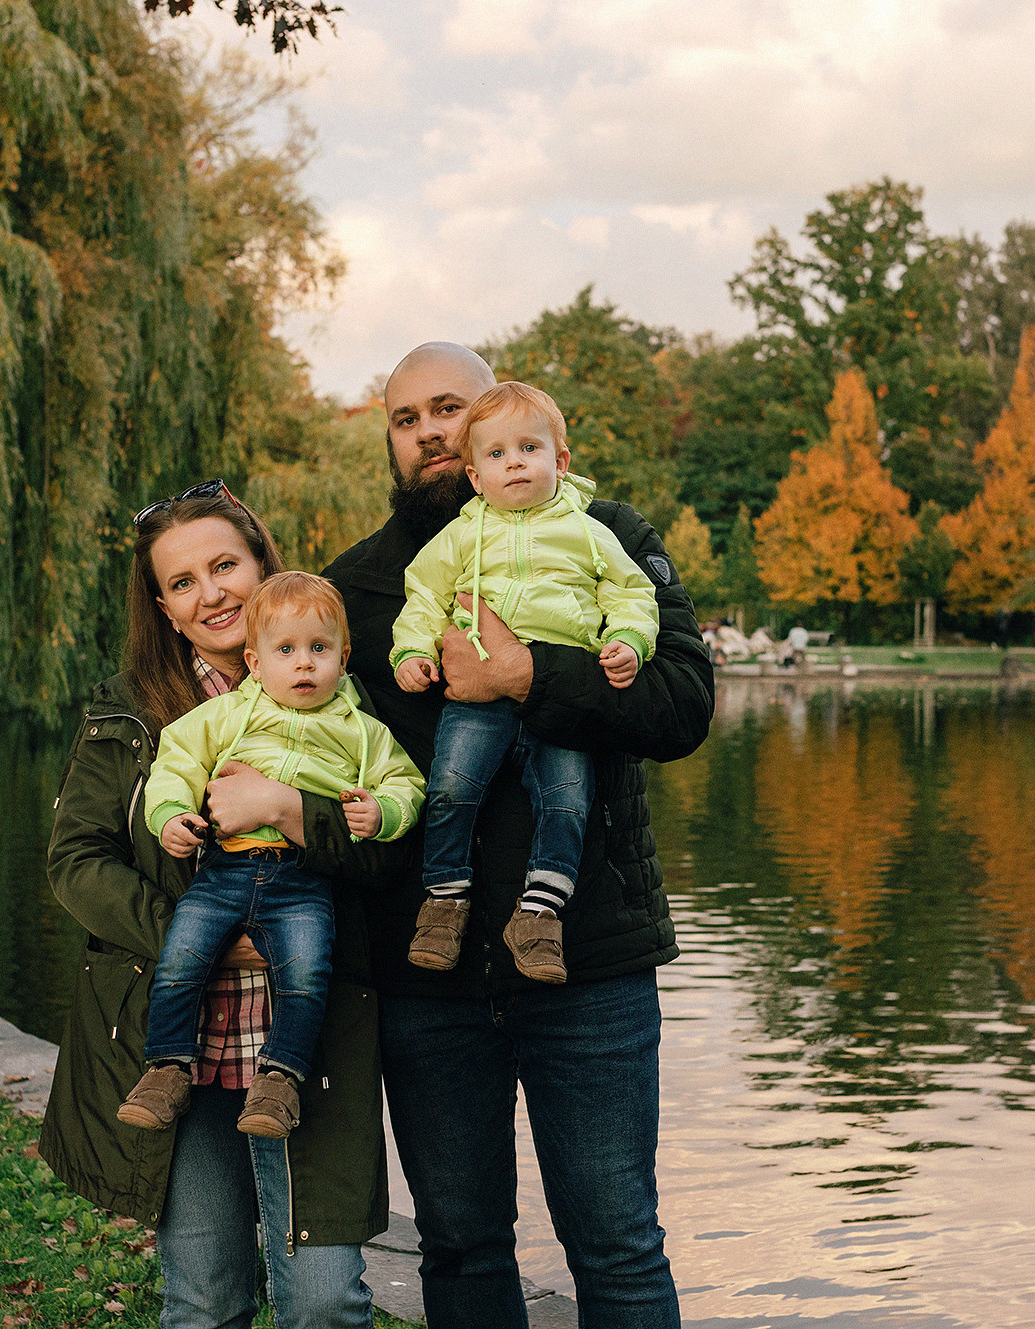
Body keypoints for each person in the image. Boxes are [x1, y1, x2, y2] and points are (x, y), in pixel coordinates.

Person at [323, 342, 715, 1328]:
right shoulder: (358, 589)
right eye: (405, 420)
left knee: (617, 1246)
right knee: (459, 1248)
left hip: (587, 959)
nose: (428, 433)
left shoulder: (604, 533)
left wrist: (532, 676)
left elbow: (682, 702)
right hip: (427, 981)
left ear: (496, 413)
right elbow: (317, 751)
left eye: (447, 408)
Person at [38, 487, 396, 1329]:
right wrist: (198, 941)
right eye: (184, 582)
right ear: (164, 608)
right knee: (204, 1298)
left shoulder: (341, 698)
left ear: (263, 562)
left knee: (325, 1301)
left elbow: (390, 850)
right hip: (182, 1039)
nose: (212, 593)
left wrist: (288, 807)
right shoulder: (130, 711)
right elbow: (77, 862)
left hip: (309, 1039)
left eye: (225, 564)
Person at [119, 572, 423, 1139]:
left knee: (306, 971)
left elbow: (405, 783)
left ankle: (281, 1078)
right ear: (255, 664)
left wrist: (383, 811)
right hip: (226, 868)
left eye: (319, 649)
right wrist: (171, 815)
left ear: (343, 658)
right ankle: (166, 1067)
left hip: (302, 877)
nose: (304, 664)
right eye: (286, 651)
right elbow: (177, 760)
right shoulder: (230, 715)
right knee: (183, 955)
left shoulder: (361, 730)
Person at [390, 381, 658, 984]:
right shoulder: (462, 535)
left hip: (559, 701)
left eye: (529, 449)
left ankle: (540, 913)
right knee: (450, 785)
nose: (514, 463)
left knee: (567, 798)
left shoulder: (590, 532)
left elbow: (631, 592)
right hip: (476, 696)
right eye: (496, 454)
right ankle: (445, 898)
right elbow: (424, 595)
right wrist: (411, 651)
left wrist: (629, 640)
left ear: (559, 462)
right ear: (475, 477)